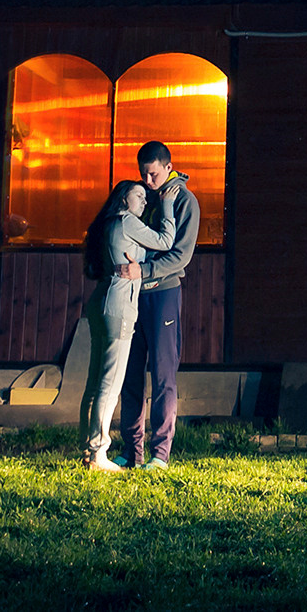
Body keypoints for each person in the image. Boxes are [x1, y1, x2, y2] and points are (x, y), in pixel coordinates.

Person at [77, 179, 181, 472]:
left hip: (103, 300)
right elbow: (166, 241)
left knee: (95, 381)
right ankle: (99, 453)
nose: (145, 201)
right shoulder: (126, 221)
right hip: (120, 305)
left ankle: (88, 449)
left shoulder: (110, 222)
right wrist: (167, 206)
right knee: (110, 383)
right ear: (123, 199)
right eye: (139, 195)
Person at [123, 140, 201, 467]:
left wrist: (145, 271)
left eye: (153, 174)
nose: (148, 180)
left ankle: (160, 454)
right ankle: (131, 452)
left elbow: (181, 255)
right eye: (143, 174)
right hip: (135, 292)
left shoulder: (185, 201)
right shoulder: (144, 197)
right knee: (130, 374)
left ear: (168, 167)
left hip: (163, 293)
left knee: (162, 375)